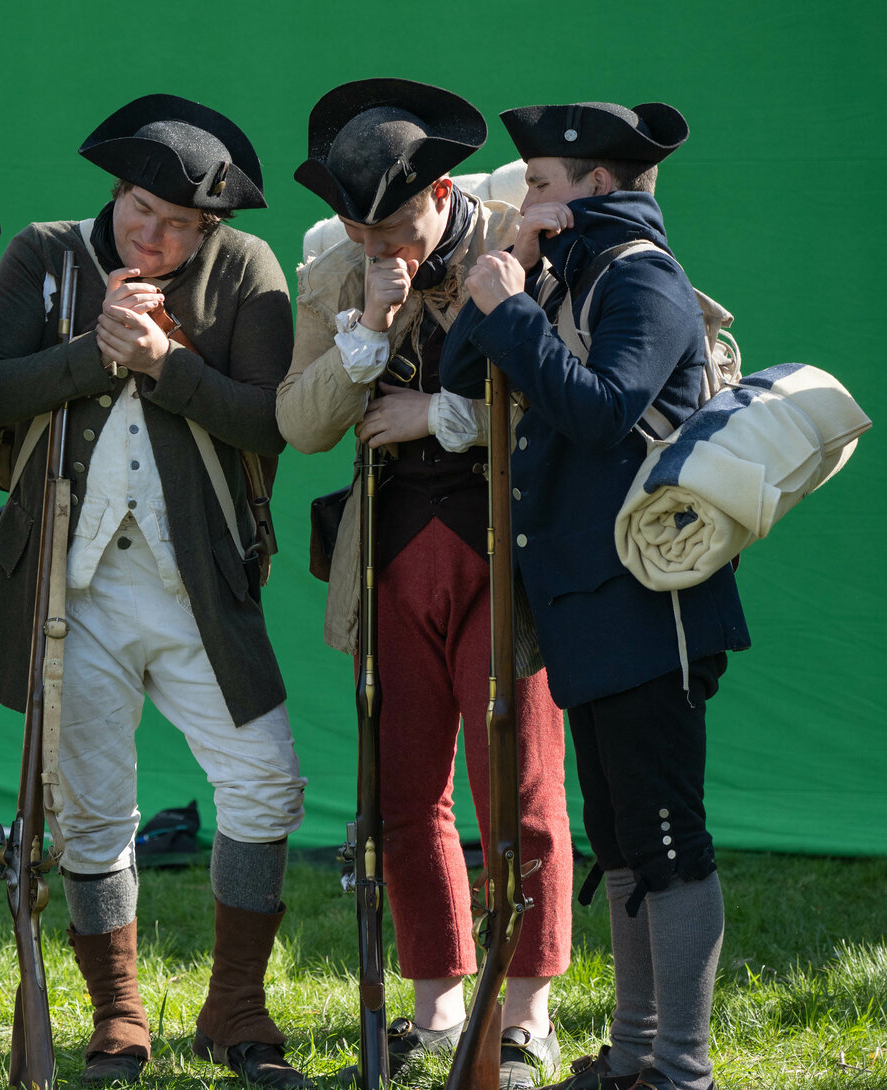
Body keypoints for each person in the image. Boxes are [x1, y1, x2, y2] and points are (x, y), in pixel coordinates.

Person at [0, 94, 307, 1088]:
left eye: (178, 225)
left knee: (266, 780)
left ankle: (235, 1005)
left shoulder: (245, 271)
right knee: (92, 810)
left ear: (213, 228)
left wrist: (165, 366)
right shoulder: (44, 254)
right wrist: (91, 353)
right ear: (114, 190)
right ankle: (119, 1014)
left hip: (199, 586)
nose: (150, 236)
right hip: (72, 592)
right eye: (139, 211)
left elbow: (272, 422)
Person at [441, 102, 750, 1090]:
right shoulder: (563, 268)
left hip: (648, 603)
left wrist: (515, 307)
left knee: (666, 834)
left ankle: (681, 1069)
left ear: (600, 188)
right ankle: (636, 1054)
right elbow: (460, 373)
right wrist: (505, 279)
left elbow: (604, 408)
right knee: (619, 835)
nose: (520, 195)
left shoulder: (645, 277)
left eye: (538, 182)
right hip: (586, 599)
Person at [279, 79, 573, 1089]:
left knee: (522, 790)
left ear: (444, 190)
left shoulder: (524, 239)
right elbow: (303, 424)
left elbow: (582, 393)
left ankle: (527, 1015)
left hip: (513, 552)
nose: (382, 242)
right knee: (402, 793)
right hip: (392, 551)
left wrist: (443, 416)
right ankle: (439, 1010)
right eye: (362, 225)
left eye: (397, 224)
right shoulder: (334, 271)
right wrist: (367, 324)